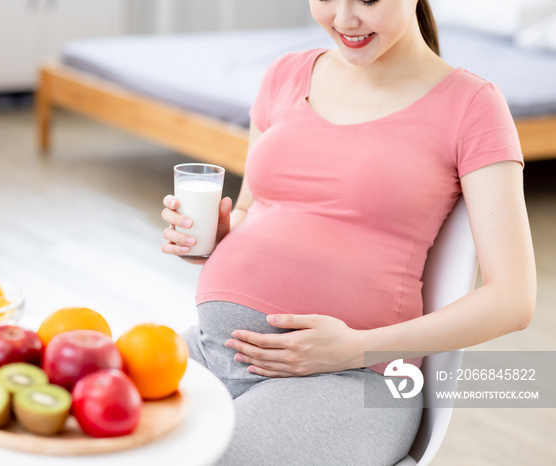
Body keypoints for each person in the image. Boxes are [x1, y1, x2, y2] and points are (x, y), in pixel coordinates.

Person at [161, 0, 536, 464]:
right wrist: (217, 237)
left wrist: (354, 349)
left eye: (369, 0)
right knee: (90, 431)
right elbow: (250, 208)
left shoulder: (472, 106)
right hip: (211, 350)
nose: (343, 19)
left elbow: (513, 300)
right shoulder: (286, 74)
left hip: (353, 381)